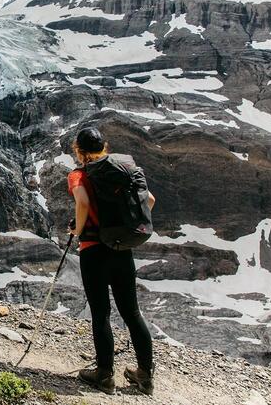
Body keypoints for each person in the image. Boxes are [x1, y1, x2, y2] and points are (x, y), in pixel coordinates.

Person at [68, 127, 156, 395]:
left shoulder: (80, 174)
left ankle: (105, 375)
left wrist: (78, 229)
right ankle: (145, 376)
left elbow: (82, 202)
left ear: (79, 151)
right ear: (104, 147)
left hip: (94, 249)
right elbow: (150, 200)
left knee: (100, 312)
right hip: (121, 247)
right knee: (131, 312)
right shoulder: (123, 171)